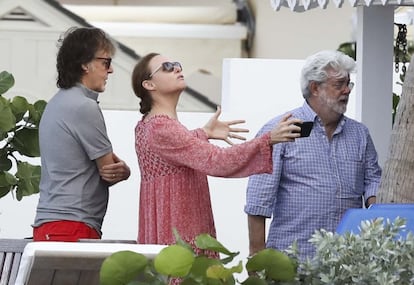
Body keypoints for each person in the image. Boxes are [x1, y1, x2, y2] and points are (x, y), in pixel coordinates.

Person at [131, 53, 303, 252]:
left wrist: (203, 133)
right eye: (167, 67)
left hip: (167, 235)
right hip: (179, 236)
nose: (177, 68)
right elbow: (217, 160)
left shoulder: (147, 126)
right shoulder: (163, 128)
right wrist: (268, 139)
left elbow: (176, 152)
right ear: (149, 85)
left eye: (177, 64)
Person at [245, 50, 382, 260]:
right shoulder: (281, 129)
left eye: (349, 84)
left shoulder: (359, 134)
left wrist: (376, 215)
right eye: (339, 85)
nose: (347, 90)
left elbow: (372, 180)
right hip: (293, 259)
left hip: (348, 261)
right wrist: (257, 257)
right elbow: (258, 199)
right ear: (315, 88)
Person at [32, 27, 130, 242]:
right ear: (85, 64)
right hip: (72, 224)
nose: (110, 70)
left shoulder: (58, 102)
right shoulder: (83, 107)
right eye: (106, 63)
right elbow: (109, 172)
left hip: (54, 224)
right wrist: (125, 171)